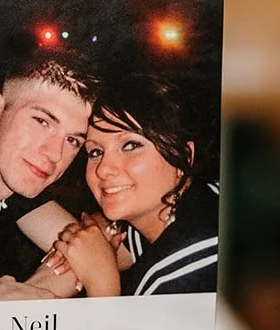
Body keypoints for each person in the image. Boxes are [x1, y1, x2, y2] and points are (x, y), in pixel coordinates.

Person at [51, 73, 219, 297]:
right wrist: (102, 232)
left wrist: (102, 282)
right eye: (95, 151)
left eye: (130, 146)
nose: (103, 169)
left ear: (184, 155)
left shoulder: (172, 279)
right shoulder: (201, 199)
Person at [0, 50, 99, 300]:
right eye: (42, 121)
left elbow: (89, 254)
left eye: (72, 140)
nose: (55, 154)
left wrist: (27, 295)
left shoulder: (14, 188)